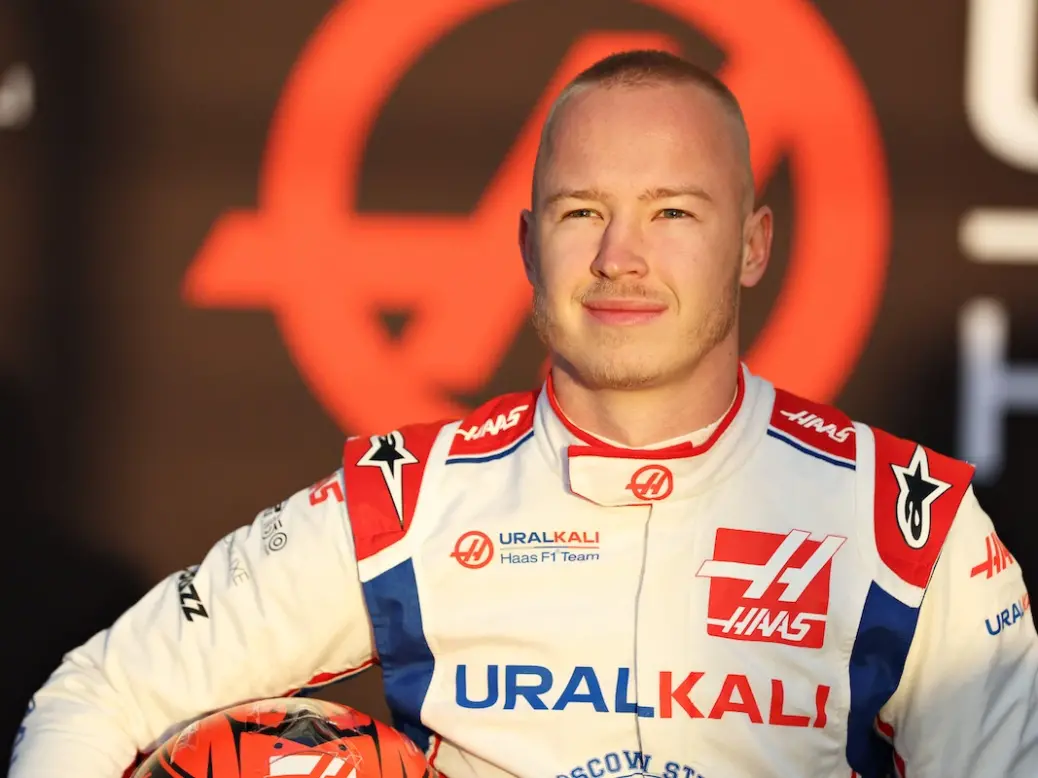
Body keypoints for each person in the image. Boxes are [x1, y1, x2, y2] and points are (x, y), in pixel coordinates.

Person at [10, 49, 1038, 778]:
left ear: (755, 244)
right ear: (525, 242)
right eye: (581, 211)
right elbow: (95, 697)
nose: (619, 258)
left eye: (673, 212)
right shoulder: (407, 503)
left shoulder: (909, 528)